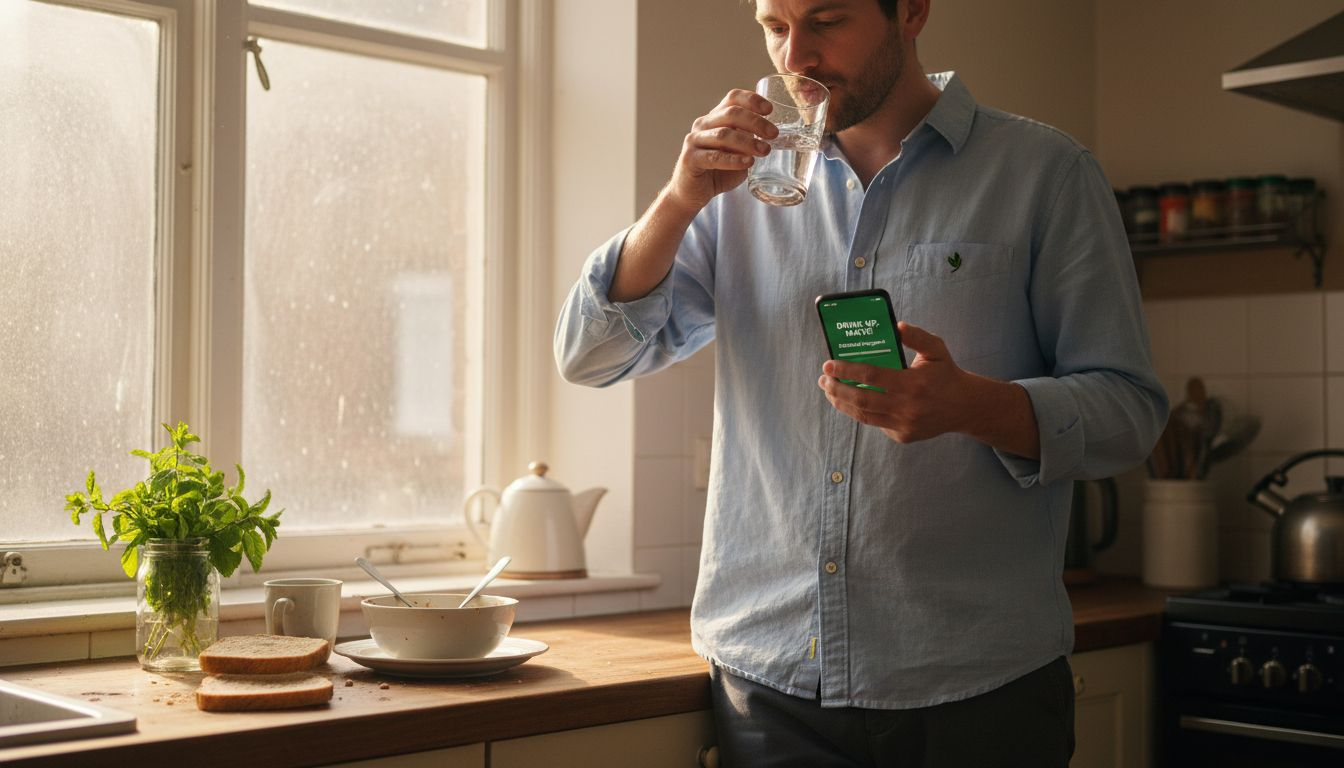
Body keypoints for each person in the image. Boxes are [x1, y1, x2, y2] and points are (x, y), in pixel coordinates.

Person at [553, 0, 1167, 765]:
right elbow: (590, 356)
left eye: (828, 20)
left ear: (909, 12)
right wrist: (679, 199)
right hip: (770, 681)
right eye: (775, 26)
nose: (796, 56)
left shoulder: (1045, 174)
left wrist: (975, 406)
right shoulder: (735, 188)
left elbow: (1130, 412)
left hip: (979, 683)